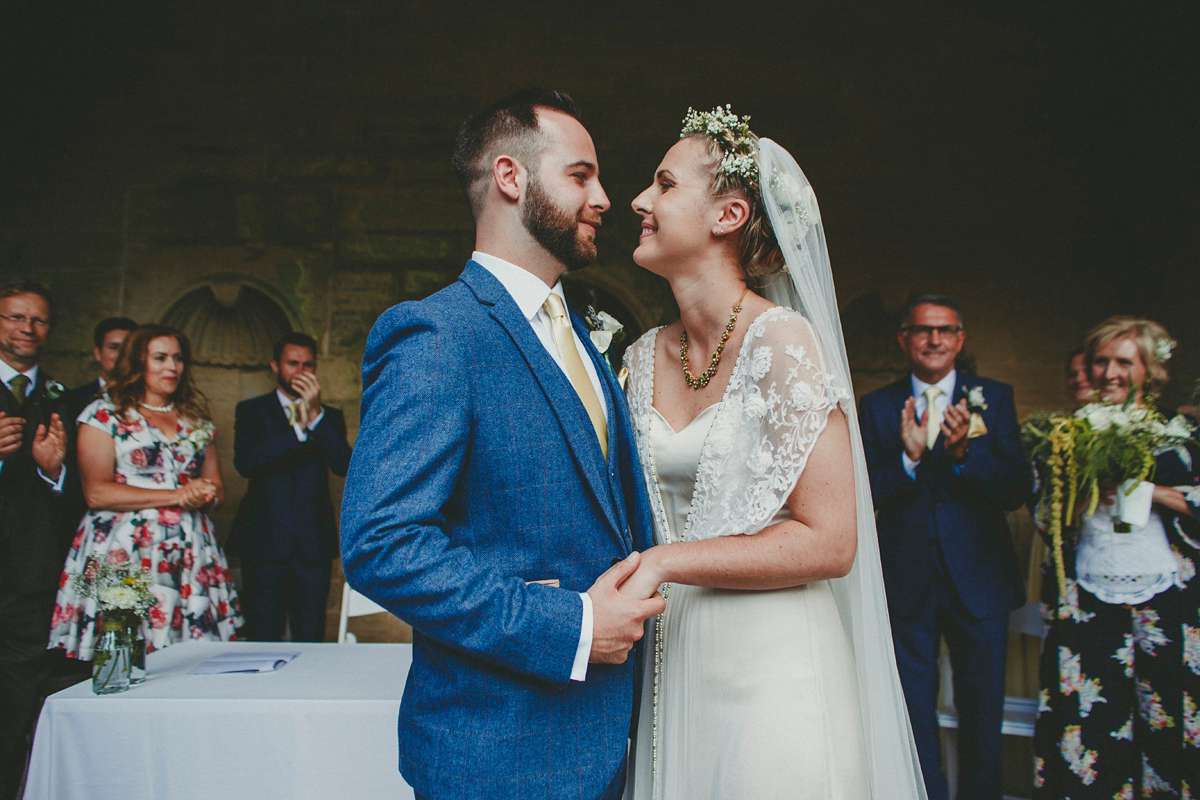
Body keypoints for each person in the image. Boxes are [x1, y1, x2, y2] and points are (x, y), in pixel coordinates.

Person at [340, 87, 662, 800]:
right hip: (498, 753)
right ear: (511, 177)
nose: (607, 197)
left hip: (607, 743)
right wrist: (572, 626)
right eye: (581, 175)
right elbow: (380, 544)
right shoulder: (436, 333)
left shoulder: (579, 331)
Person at [618, 107, 926, 798]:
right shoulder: (641, 356)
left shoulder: (783, 343)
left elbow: (831, 541)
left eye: (664, 185)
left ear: (728, 215)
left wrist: (666, 562)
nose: (640, 200)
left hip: (774, 670)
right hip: (674, 668)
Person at [859, 294, 1029, 800]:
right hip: (907, 581)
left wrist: (963, 456)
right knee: (912, 712)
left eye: (945, 330)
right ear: (904, 340)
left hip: (979, 580)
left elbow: (1018, 489)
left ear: (959, 339)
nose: (934, 339)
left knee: (983, 712)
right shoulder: (878, 405)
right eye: (922, 330)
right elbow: (861, 492)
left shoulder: (993, 397)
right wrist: (909, 460)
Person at [1032, 317, 1199, 798]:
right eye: (1100, 361)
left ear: (1150, 370)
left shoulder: (1181, 433)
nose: (1108, 372)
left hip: (1167, 600)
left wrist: (1148, 491)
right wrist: (1086, 493)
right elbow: (1046, 515)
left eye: (1123, 362)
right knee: (1094, 722)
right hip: (1088, 600)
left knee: (1168, 720)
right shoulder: (1067, 433)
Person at [48, 325, 242, 660]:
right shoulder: (103, 415)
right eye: (161, 358)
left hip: (188, 550)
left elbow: (219, 489)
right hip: (125, 548)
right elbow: (96, 493)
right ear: (138, 362)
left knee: (189, 661)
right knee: (121, 652)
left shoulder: (196, 421)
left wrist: (206, 493)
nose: (172, 367)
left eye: (178, 359)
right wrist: (178, 495)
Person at [228, 332, 352, 642]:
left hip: (313, 546)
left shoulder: (330, 417)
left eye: (307, 365)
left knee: (311, 639)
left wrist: (316, 417)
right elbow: (246, 464)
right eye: (292, 363)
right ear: (275, 365)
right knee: (262, 637)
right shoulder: (251, 411)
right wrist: (298, 429)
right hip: (263, 544)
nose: (300, 372)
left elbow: (345, 465)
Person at [0, 280, 73, 800]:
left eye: (38, 320)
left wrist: (54, 473)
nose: (27, 328)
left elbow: (76, 500)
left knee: (20, 693)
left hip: (29, 570)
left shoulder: (61, 396)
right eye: (15, 317)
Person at [64, 316, 138, 413]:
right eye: (114, 347)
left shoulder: (148, 397)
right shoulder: (74, 399)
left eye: (128, 348)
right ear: (98, 353)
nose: (121, 354)